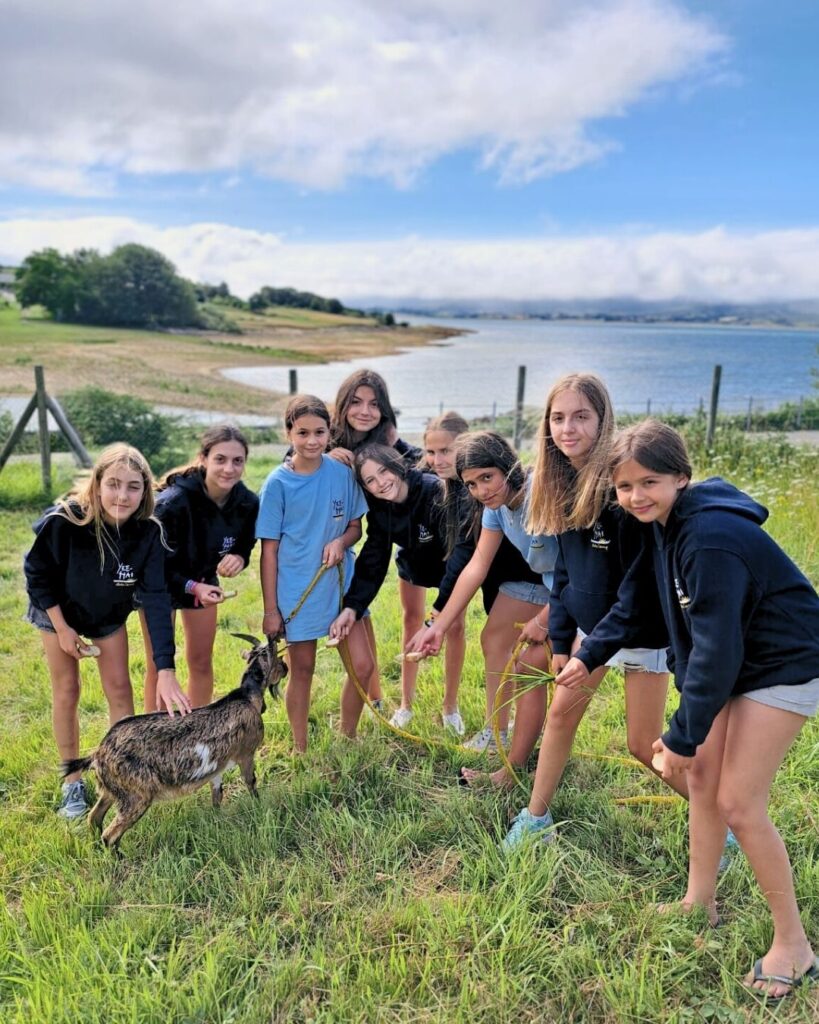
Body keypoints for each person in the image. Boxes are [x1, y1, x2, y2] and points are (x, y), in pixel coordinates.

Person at [577, 419, 818, 1001]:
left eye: (650, 482)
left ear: (681, 477)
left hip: (784, 662)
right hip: (739, 662)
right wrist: (589, 655)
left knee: (738, 800)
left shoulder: (709, 537)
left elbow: (717, 647)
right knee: (703, 777)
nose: (636, 496)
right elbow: (649, 606)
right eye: (625, 486)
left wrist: (682, 734)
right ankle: (698, 902)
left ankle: (795, 945)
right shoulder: (664, 525)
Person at [501, 374, 681, 847]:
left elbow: (636, 593)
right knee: (561, 715)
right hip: (592, 632)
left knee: (643, 746)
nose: (568, 428)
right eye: (557, 417)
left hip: (639, 632)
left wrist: (589, 652)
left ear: (603, 420)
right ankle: (535, 818)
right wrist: (563, 642)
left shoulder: (622, 492)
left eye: (581, 416)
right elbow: (563, 575)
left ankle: (720, 819)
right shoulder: (559, 484)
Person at [24, 443, 189, 820]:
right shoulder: (66, 520)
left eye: (134, 486)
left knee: (119, 690)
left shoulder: (148, 533)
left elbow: (156, 599)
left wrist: (165, 668)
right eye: (113, 484)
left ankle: (122, 774)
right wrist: (63, 630)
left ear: (146, 491)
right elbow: (37, 574)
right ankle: (72, 782)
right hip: (57, 611)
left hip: (106, 614)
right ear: (97, 484)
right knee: (68, 689)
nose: (122, 495)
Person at [408, 431, 558, 771]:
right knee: (494, 639)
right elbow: (476, 566)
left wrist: (545, 619)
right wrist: (438, 626)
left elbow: (578, 571)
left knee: (531, 664)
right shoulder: (495, 509)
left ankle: (533, 743)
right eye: (472, 484)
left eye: (486, 478)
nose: (481, 491)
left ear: (506, 466)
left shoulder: (540, 494)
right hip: (547, 584)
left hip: (572, 592)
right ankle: (500, 734)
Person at [257, 395, 374, 752]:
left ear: (330, 432)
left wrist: (341, 541)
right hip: (297, 590)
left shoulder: (341, 473)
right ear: (288, 433)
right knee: (303, 669)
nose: (311, 440)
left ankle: (348, 736)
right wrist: (270, 609)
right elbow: (269, 551)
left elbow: (356, 526)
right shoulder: (277, 483)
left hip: (341, 588)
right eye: (302, 432)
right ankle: (300, 747)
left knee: (363, 666)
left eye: (319, 432)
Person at [328, 443, 469, 733]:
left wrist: (439, 613)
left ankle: (450, 708)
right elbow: (373, 559)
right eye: (370, 480)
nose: (380, 483)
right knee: (410, 621)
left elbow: (460, 557)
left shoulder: (434, 492)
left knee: (453, 627)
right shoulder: (379, 508)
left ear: (398, 465)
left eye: (384, 471)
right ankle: (405, 705)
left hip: (449, 568)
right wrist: (353, 606)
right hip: (413, 563)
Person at [140, 424, 259, 711]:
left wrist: (240, 557)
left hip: (203, 579)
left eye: (237, 461)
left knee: (201, 661)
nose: (229, 468)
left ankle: (194, 732)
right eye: (220, 459)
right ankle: (153, 738)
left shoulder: (248, 502)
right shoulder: (172, 504)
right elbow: (153, 567)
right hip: (159, 585)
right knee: (159, 666)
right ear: (203, 458)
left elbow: (245, 541)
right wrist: (193, 586)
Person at [325, 368, 422, 710]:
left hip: (375, 537)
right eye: (356, 402)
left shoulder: (388, 439)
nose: (365, 411)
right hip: (333, 545)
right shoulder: (328, 438)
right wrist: (323, 456)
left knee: (361, 615)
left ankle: (376, 697)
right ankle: (371, 696)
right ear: (343, 405)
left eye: (374, 403)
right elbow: (293, 460)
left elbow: (419, 466)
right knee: (352, 621)